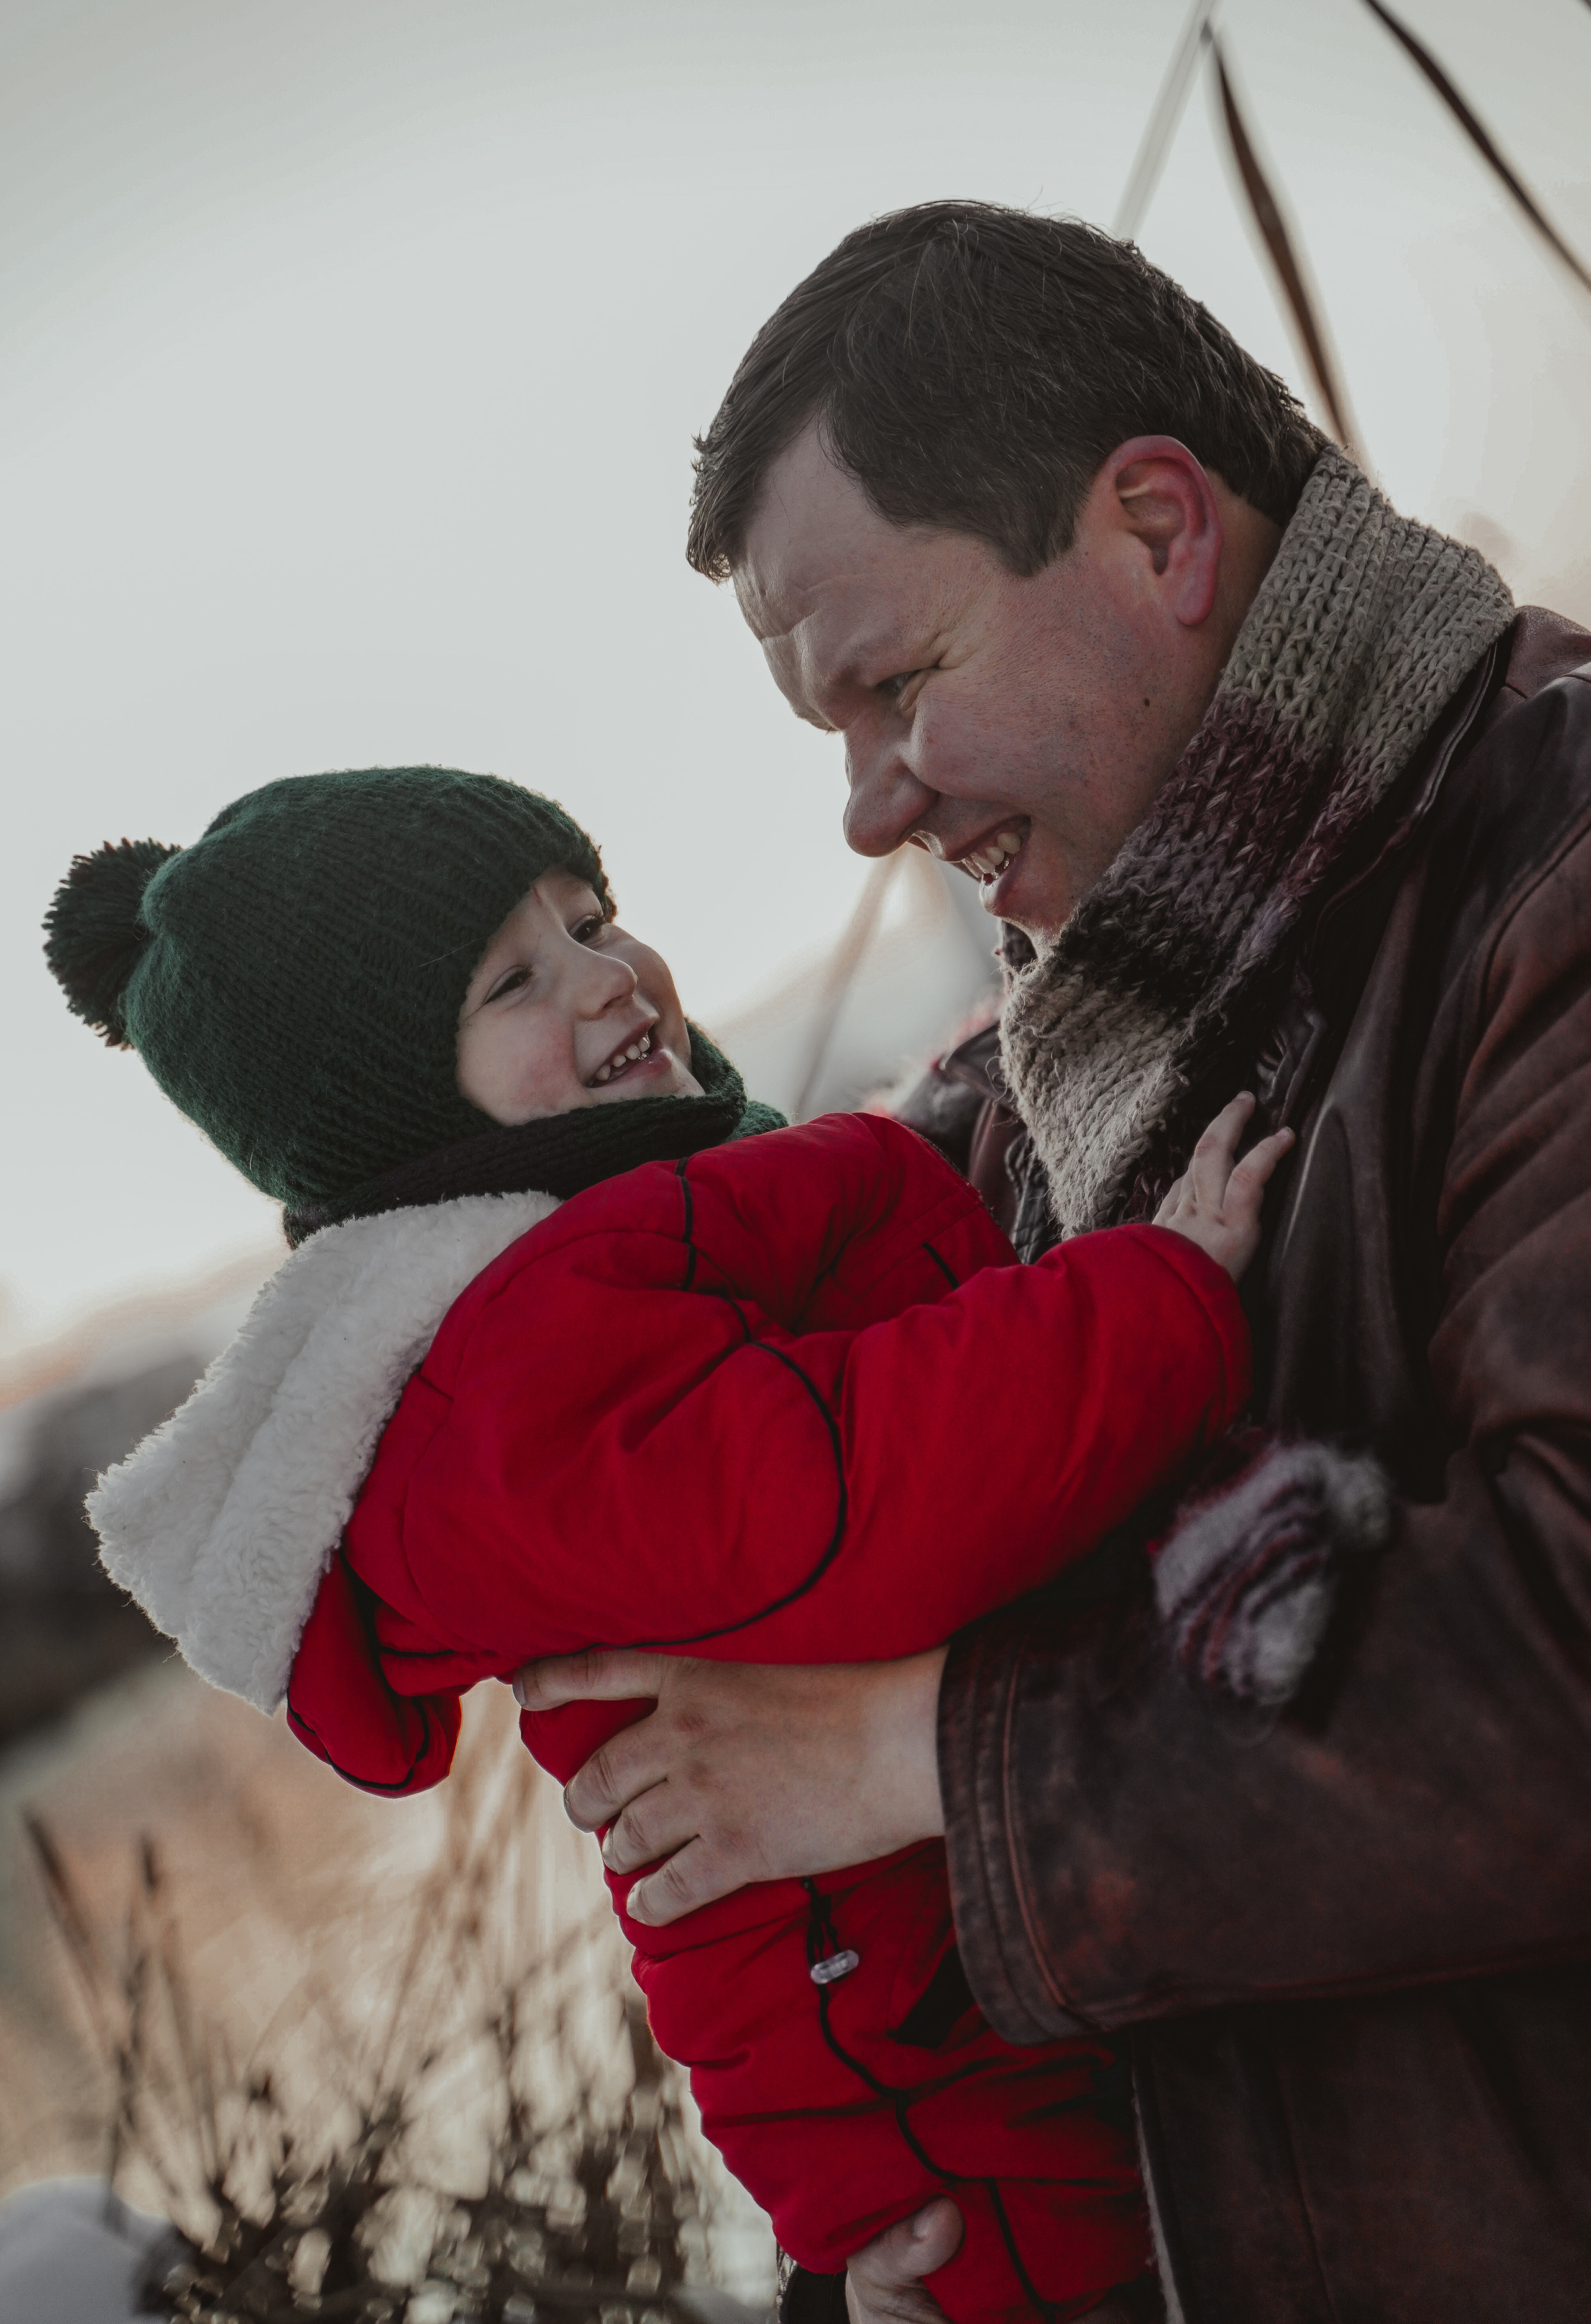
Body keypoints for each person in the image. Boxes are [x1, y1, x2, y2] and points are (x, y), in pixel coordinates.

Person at [513, 204, 1591, 2324]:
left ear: (1157, 531)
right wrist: (904, 2239)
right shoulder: (1048, 1090)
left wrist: (913, 1756)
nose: (867, 810)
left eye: (899, 687)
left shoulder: (1554, 883)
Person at [46, 766, 1293, 2324]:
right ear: (390, 1108)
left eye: (592, 916)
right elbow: (854, 1495)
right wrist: (1154, 1298)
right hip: (938, 2076)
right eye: (511, 981)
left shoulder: (630, 1239)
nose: (605, 975)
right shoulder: (512, 1377)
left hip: (979, 1951)